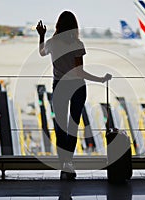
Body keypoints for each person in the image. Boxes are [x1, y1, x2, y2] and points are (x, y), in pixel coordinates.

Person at [36, 11, 112, 180]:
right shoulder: (77, 44)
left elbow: (41, 52)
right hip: (77, 87)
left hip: (59, 86)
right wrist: (100, 79)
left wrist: (41, 35)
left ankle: (64, 163)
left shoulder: (52, 43)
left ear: (58, 26)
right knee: (73, 125)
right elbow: (79, 72)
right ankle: (69, 162)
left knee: (60, 125)